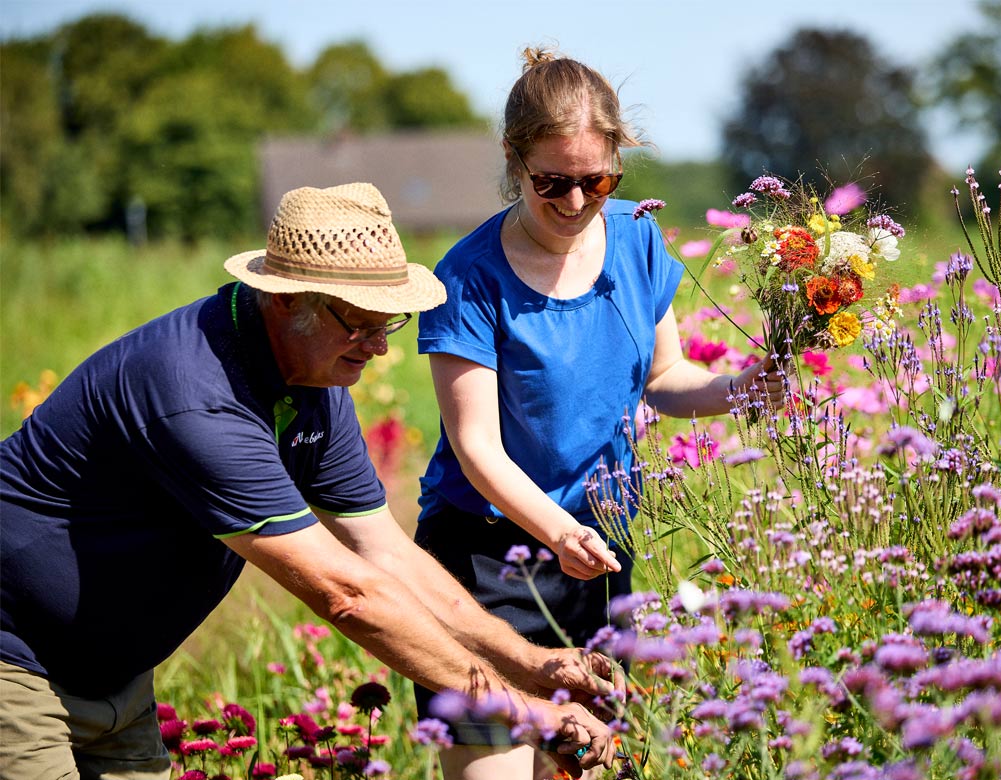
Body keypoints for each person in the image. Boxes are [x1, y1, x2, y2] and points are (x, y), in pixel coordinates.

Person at [0, 183, 622, 780]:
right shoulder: (197, 394)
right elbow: (346, 594)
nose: (379, 346)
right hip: (17, 662)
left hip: (117, 682)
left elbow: (385, 555)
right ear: (286, 298)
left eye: (390, 321)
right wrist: (526, 710)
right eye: (359, 321)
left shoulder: (313, 378)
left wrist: (536, 664)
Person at [413, 48, 787, 779]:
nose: (578, 202)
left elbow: (667, 377)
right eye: (553, 182)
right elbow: (477, 451)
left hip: (598, 557)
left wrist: (744, 387)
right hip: (489, 558)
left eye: (597, 180)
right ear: (514, 161)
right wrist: (558, 530)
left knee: (580, 765)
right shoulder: (468, 276)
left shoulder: (638, 238)